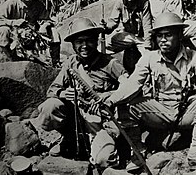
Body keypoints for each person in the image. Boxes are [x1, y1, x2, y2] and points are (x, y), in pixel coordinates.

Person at [103, 12, 196, 171]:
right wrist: (112, 99)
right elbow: (133, 83)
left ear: (179, 35)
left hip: (186, 112)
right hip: (159, 111)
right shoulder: (149, 57)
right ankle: (138, 151)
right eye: (159, 35)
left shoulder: (195, 57)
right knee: (125, 105)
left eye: (168, 35)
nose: (163, 40)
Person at [37, 17, 129, 169]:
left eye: (89, 40)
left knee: (103, 160)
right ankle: (69, 137)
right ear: (73, 44)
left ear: (96, 41)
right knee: (49, 106)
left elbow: (129, 89)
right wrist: (63, 93)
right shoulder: (71, 63)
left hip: (100, 122)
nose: (84, 46)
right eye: (79, 41)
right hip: (75, 118)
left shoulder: (111, 63)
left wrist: (106, 96)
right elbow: (52, 90)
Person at [0, 0, 60, 66]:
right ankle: (11, 61)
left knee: (54, 31)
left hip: (31, 35)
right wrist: (14, 23)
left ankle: (55, 61)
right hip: (13, 35)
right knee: (3, 31)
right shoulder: (11, 4)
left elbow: (47, 20)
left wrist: (44, 25)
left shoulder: (38, 5)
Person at [102, 0, 152, 73]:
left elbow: (147, 25)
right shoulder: (120, 3)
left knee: (149, 58)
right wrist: (106, 27)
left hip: (142, 38)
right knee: (102, 48)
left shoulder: (144, 3)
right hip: (127, 36)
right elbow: (113, 21)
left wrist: (148, 45)